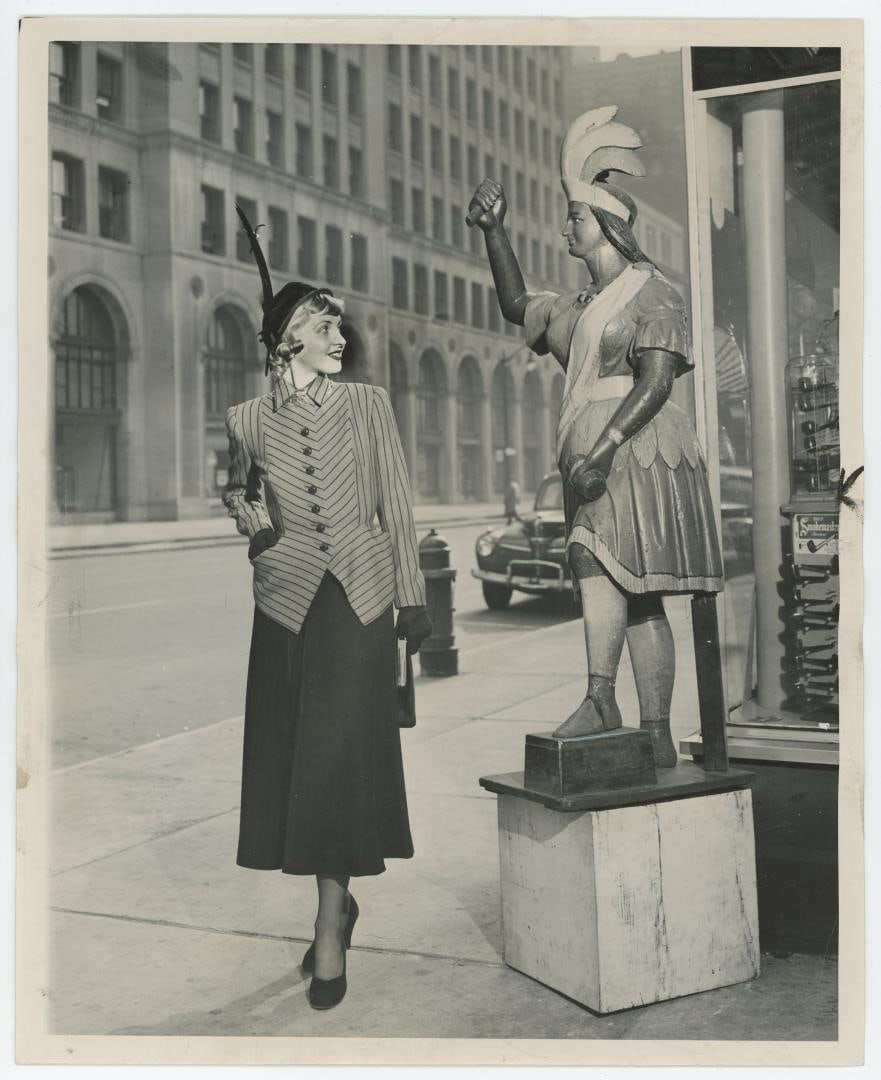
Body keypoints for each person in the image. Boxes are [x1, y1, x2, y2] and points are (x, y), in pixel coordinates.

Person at [467, 106, 723, 767]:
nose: (564, 230)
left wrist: (604, 447)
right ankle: (655, 733)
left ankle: (602, 699)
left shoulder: (651, 293)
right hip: (592, 454)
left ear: (607, 226)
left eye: (575, 219)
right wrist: (493, 233)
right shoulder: (576, 309)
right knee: (630, 593)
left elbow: (657, 378)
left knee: (593, 561)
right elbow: (516, 305)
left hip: (634, 452)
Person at [222, 205, 432, 1010]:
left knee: (339, 764)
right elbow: (240, 502)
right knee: (298, 769)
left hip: (359, 597)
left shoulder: (368, 405)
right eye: (321, 324)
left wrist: (412, 606)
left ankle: (328, 929)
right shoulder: (244, 419)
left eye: (338, 324)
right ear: (285, 342)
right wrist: (250, 517)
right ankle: (334, 903)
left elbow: (397, 506)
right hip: (283, 606)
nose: (339, 336)